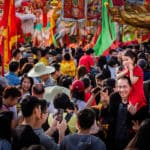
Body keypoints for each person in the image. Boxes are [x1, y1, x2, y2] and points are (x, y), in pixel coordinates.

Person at [108, 76, 148, 150]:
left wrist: (134, 115)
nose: (122, 90)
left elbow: (144, 124)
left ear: (131, 87)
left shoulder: (139, 101)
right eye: (119, 87)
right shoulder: (113, 97)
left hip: (130, 143)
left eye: (125, 87)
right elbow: (111, 118)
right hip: (114, 140)